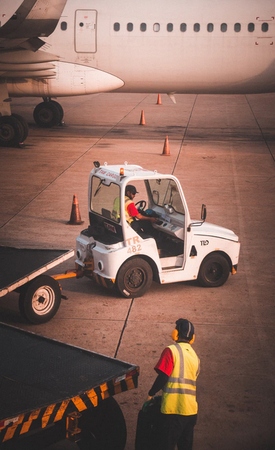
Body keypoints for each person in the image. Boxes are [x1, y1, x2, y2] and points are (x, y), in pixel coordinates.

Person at [147, 318, 200, 450]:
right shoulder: (195, 357)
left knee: (165, 445)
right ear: (192, 338)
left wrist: (151, 393)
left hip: (173, 410)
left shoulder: (171, 351)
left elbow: (164, 376)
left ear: (175, 333)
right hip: (191, 412)